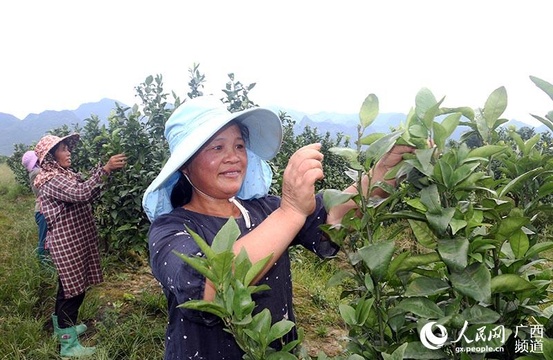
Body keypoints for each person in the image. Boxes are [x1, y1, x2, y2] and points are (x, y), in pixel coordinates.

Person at [142, 95, 413, 359]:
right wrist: (291, 211)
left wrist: (383, 172)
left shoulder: (262, 209)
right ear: (186, 166)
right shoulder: (171, 229)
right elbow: (209, 288)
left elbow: (334, 215)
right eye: (217, 147)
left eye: (239, 146)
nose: (233, 157)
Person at [33, 133, 127, 358]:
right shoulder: (51, 180)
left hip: (74, 241)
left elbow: (87, 191)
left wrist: (104, 174)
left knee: (67, 287)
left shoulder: (62, 175)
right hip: (67, 244)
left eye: (68, 148)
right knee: (72, 293)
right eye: (63, 149)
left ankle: (62, 330)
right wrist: (105, 169)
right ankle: (68, 346)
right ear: (51, 157)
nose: (69, 153)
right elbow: (81, 193)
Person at [22, 150, 49, 264]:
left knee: (47, 238)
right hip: (42, 212)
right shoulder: (36, 172)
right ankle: (43, 264)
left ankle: (46, 260)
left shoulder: (34, 172)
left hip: (42, 211)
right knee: (43, 239)